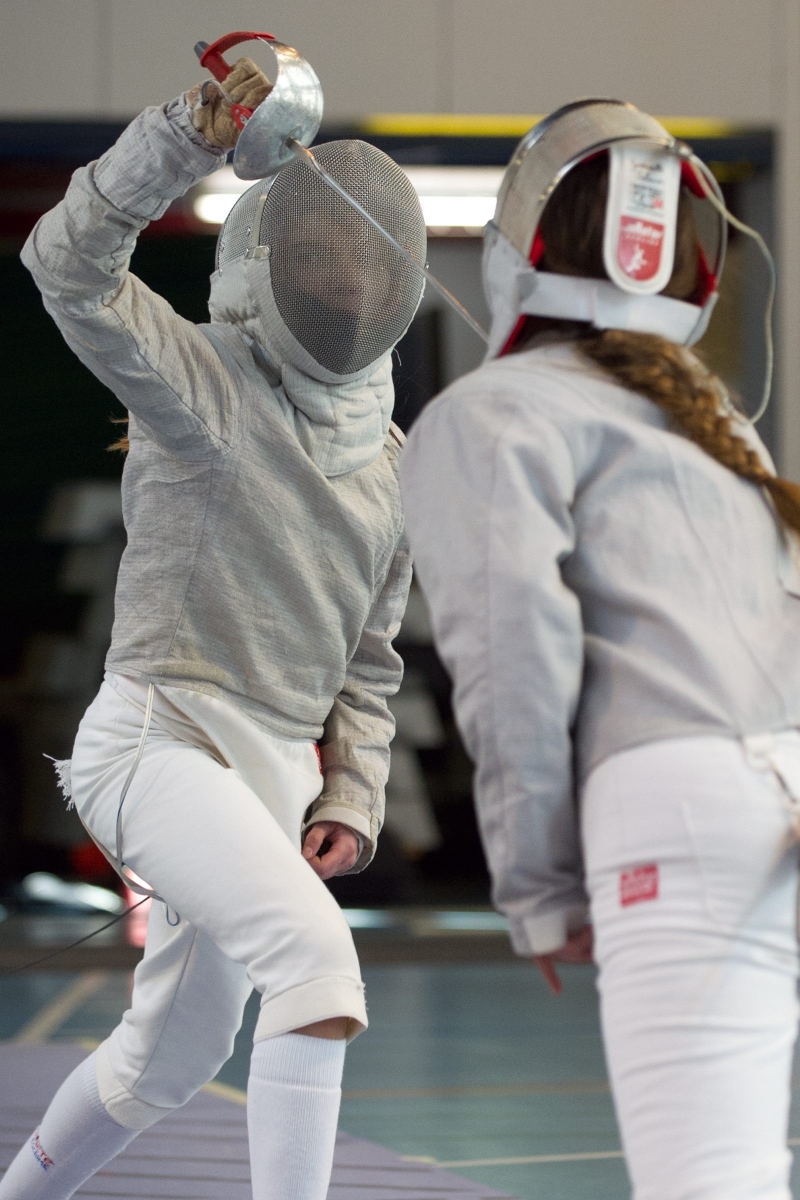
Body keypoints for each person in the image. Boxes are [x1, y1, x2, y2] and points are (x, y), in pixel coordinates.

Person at [4, 56, 425, 1200]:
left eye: (363, 257)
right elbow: (67, 263)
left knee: (168, 1061)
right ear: (259, 268)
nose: (344, 277)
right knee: (316, 965)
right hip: (162, 742)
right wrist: (188, 134)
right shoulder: (203, 385)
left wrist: (348, 795)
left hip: (275, 779)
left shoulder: (390, 465)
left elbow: (370, 666)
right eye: (318, 253)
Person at [400, 98, 800, 1200]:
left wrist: (535, 887)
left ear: (518, 244)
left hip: (679, 810)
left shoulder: (487, 414)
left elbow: (514, 663)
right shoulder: (712, 418)